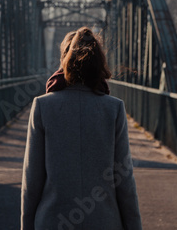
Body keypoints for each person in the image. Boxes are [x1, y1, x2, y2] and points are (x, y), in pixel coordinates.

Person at [21, 27, 142, 230]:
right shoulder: (114, 109)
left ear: (64, 62)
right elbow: (124, 181)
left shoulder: (42, 106)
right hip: (104, 222)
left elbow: (31, 181)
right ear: (99, 64)